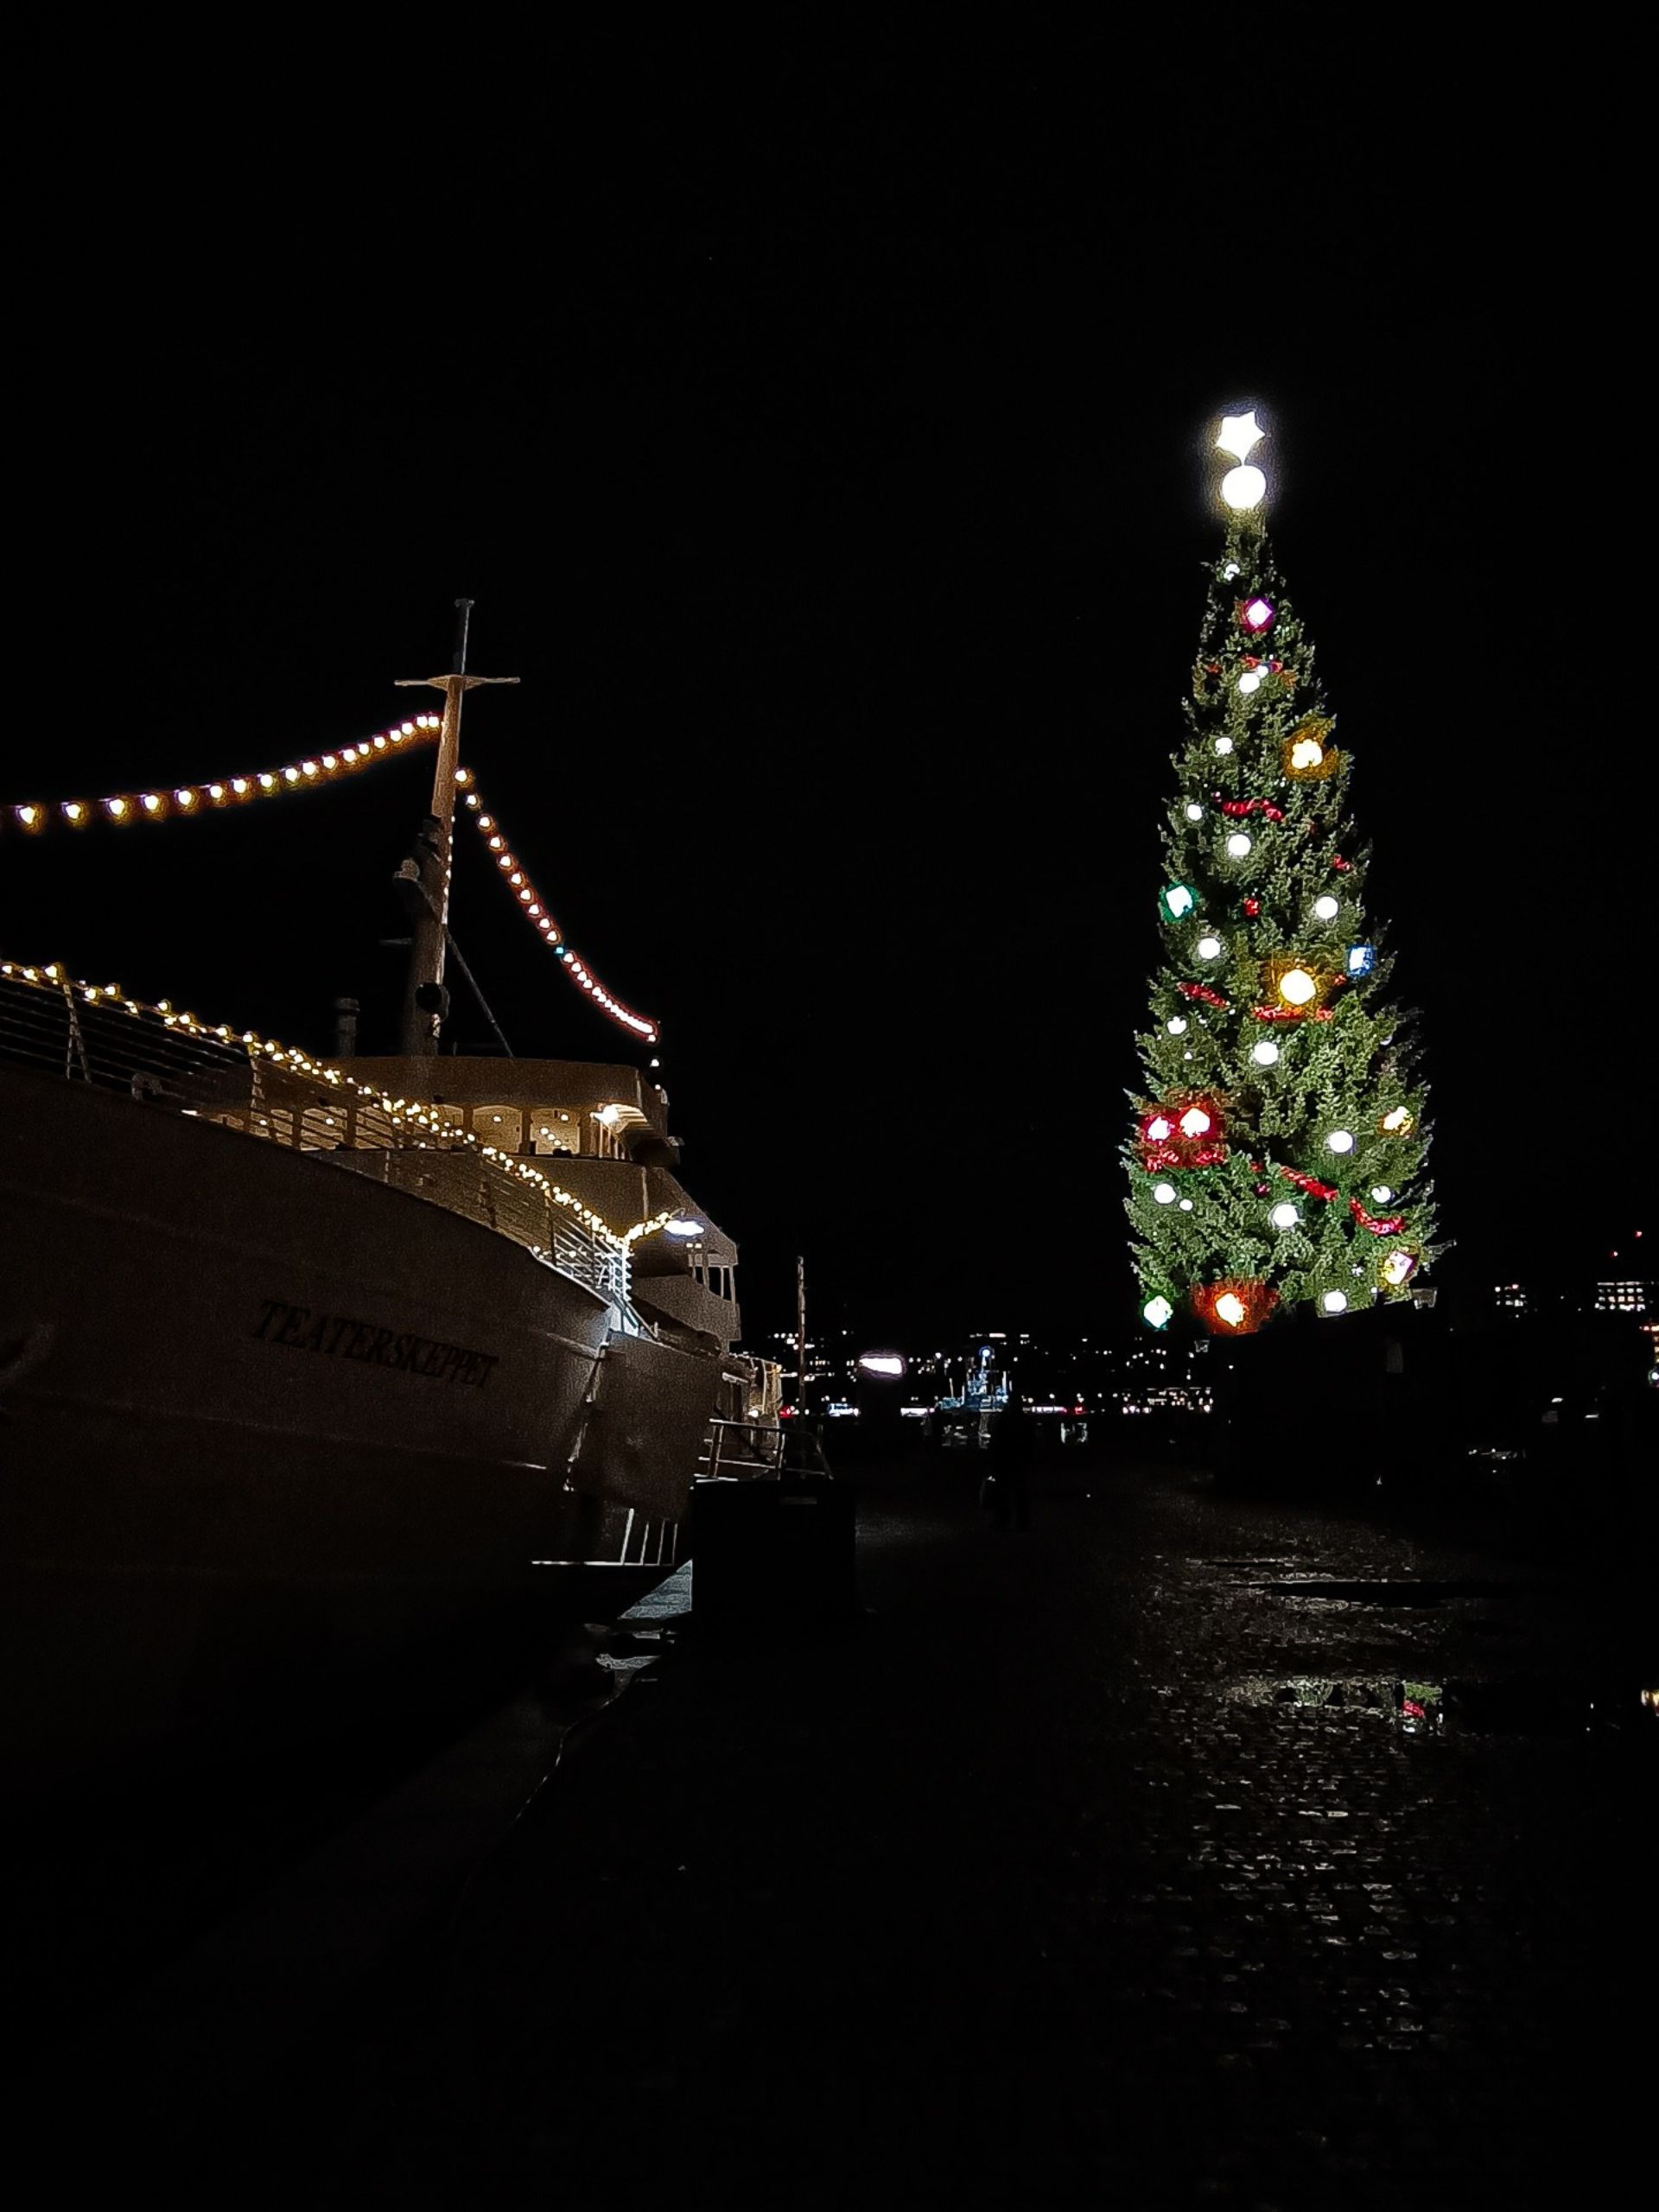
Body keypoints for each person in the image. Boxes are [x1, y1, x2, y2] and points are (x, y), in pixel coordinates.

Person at [988, 1388, 1034, 1530]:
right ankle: (1020, 1522)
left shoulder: (1003, 1418)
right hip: (1017, 1459)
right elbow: (1029, 1441)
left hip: (1005, 1459)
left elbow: (995, 1439)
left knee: (1005, 1492)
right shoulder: (1023, 1420)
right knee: (1019, 1493)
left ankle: (1004, 1521)